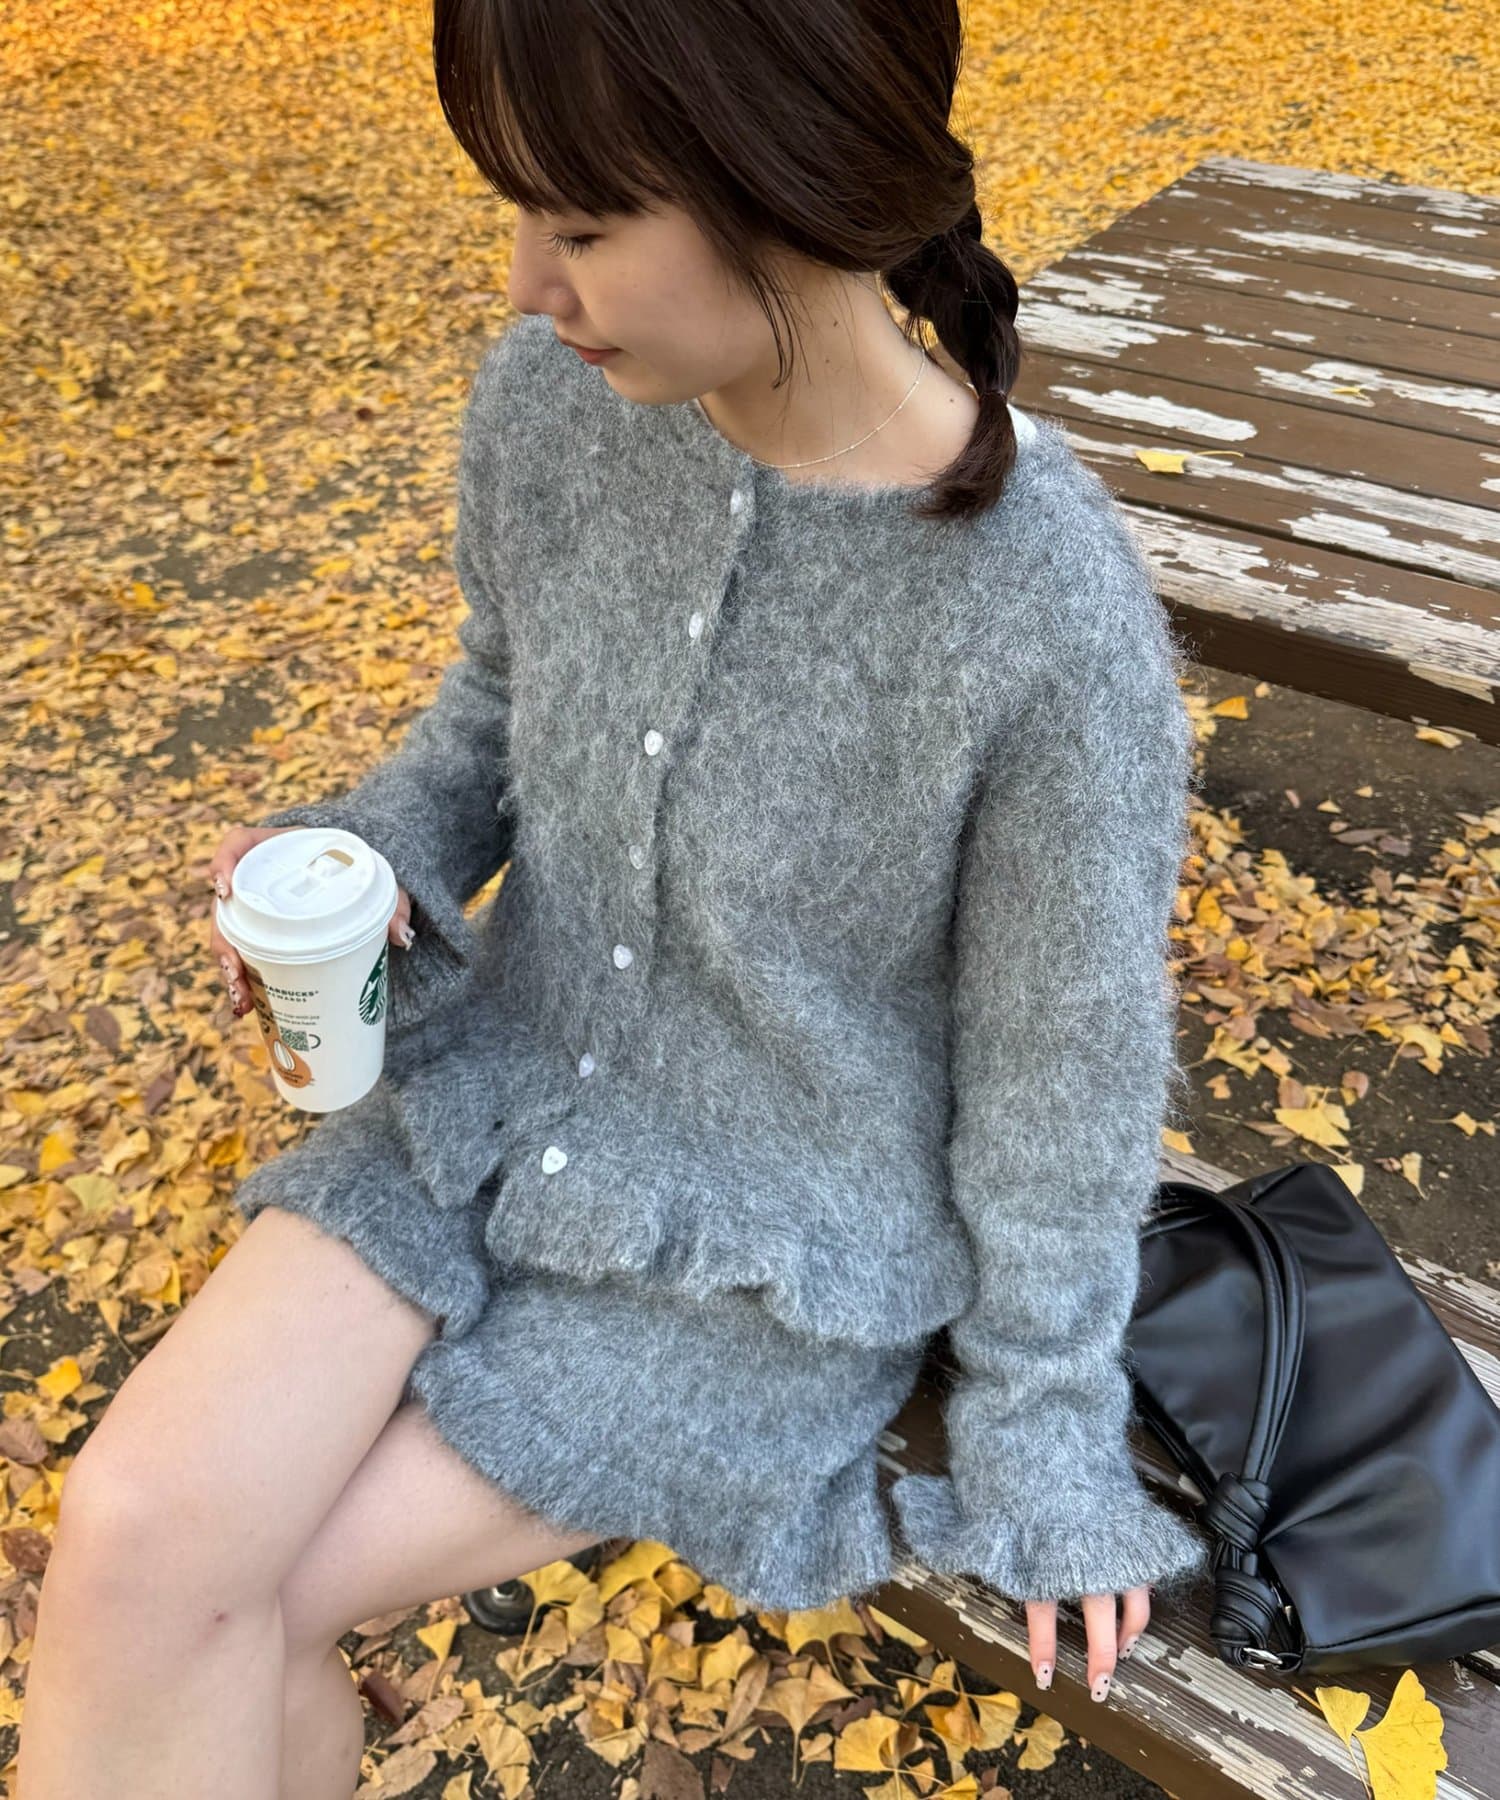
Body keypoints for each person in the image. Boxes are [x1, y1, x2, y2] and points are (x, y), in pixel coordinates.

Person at [18, 1, 1208, 1793]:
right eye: (522, 213)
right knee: (129, 1541)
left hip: (766, 1238)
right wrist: (368, 856)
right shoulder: (552, 405)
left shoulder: (1042, 611)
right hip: (491, 1093)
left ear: (797, 182)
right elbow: (494, 714)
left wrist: (1045, 1431)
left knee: (237, 1610)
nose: (527, 285)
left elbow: (1067, 1075)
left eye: (580, 227)